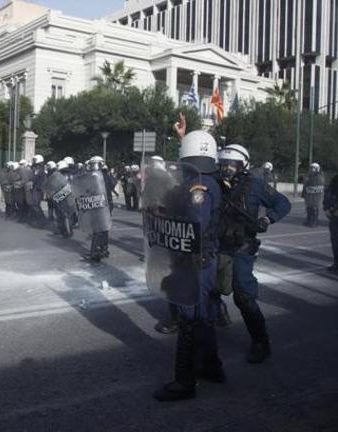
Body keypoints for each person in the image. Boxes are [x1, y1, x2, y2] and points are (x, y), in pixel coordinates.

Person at [153, 123, 225, 402]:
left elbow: (196, 221)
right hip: (202, 259)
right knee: (203, 317)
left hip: (194, 260)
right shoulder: (207, 182)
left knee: (188, 319)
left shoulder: (199, 187)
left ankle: (184, 382)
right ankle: (212, 367)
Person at [216, 143, 291, 364]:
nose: (227, 168)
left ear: (243, 165)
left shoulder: (255, 185)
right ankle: (220, 315)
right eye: (224, 164)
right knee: (208, 288)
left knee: (244, 296)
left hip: (241, 248)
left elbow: (282, 203)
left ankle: (261, 342)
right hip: (217, 245)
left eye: (232, 164)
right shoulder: (214, 184)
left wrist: (268, 219)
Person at [302, 163, 324, 227]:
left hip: (316, 196)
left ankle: (314, 222)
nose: (312, 169)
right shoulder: (309, 176)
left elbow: (319, 187)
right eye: (311, 168)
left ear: (317, 169)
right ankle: (309, 220)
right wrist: (304, 193)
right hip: (309, 196)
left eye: (313, 168)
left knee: (314, 208)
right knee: (309, 208)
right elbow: (305, 185)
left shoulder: (319, 177)